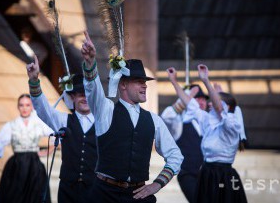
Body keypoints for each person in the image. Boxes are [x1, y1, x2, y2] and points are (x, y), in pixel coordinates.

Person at [81, 31, 183, 203]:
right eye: (138, 81)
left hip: (138, 195)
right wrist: (90, 62)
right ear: (123, 85)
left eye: (145, 82)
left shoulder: (153, 120)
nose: (144, 86)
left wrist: (157, 184)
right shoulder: (106, 110)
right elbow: (92, 89)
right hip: (104, 194)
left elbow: (175, 155)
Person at [167, 65, 247, 203]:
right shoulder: (207, 120)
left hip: (222, 174)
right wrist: (174, 81)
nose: (209, 102)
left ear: (226, 108)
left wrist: (205, 80)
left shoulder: (231, 125)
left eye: (214, 99)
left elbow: (218, 107)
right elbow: (189, 103)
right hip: (206, 173)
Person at [26, 55, 97, 203]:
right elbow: (43, 109)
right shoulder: (64, 120)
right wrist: (34, 81)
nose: (84, 98)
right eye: (80, 94)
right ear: (72, 97)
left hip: (94, 190)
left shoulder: (102, 123)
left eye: (88, 95)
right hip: (68, 190)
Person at [0, 94, 53, 203]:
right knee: (14, 196)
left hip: (34, 167)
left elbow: (56, 135)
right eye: (21, 105)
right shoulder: (11, 125)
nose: (24, 108)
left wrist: (48, 151)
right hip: (16, 166)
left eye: (27, 105)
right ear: (18, 107)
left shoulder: (39, 123)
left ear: (32, 106)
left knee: (35, 197)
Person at [161, 84, 208, 203]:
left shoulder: (209, 122)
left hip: (208, 175)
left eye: (204, 99)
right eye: (197, 99)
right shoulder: (180, 123)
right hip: (188, 175)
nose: (202, 102)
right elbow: (166, 117)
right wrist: (187, 96)